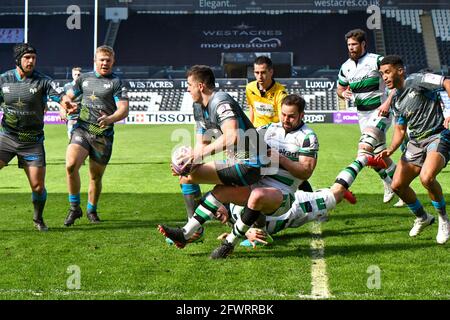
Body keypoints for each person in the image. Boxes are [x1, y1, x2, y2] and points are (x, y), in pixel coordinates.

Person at [164, 65, 268, 242]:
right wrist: (187, 165)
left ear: (201, 86)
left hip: (250, 163)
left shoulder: (221, 101)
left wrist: (197, 157)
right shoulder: (198, 107)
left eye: (189, 85)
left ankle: (194, 231)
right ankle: (261, 230)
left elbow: (232, 136)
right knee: (192, 177)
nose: (187, 89)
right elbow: (201, 143)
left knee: (189, 180)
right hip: (238, 162)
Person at [377, 55, 450, 244]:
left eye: (387, 72)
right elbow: (400, 129)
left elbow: (447, 82)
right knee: (397, 185)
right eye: (381, 74)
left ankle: (443, 219)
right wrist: (391, 149)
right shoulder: (396, 100)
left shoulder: (418, 80)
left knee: (427, 178)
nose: (384, 77)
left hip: (437, 135)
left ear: (400, 70)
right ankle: (423, 217)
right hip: (415, 143)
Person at [0, 43, 65, 231]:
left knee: (37, 187)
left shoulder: (42, 81)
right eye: (27, 58)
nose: (31, 61)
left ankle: (38, 219)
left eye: (34, 58)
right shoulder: (4, 80)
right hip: (7, 138)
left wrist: (65, 104)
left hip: (32, 142)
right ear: (18, 60)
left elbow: (59, 95)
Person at [62, 45, 129, 226]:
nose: (105, 63)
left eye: (108, 60)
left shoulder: (117, 82)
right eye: (102, 60)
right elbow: (67, 96)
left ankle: (91, 210)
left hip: (103, 136)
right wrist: (65, 106)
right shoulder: (84, 79)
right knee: (70, 166)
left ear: (113, 61)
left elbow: (123, 110)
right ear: (95, 61)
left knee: (95, 177)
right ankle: (74, 208)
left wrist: (110, 119)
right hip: (82, 129)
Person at [337, 28, 401, 206]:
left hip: (380, 112)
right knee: (377, 157)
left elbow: (397, 78)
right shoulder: (345, 67)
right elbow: (340, 89)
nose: (351, 47)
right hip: (362, 115)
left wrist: (388, 102)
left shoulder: (376, 60)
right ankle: (397, 185)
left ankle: (389, 184)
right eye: (349, 44)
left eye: (354, 44)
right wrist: (344, 95)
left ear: (363, 44)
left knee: (364, 149)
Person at [247, 55, 314, 195]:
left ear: (271, 72)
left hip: (272, 136)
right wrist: (251, 129)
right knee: (253, 167)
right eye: (257, 72)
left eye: (263, 72)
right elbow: (252, 108)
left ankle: (312, 201)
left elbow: (282, 120)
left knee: (285, 171)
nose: (260, 76)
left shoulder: (280, 93)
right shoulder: (250, 88)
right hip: (257, 135)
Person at [60, 67, 82, 139]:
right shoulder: (67, 86)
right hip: (71, 117)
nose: (77, 76)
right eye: (75, 74)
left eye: (79, 74)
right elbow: (62, 100)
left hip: (83, 117)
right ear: (72, 75)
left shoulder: (85, 86)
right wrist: (62, 111)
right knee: (72, 140)